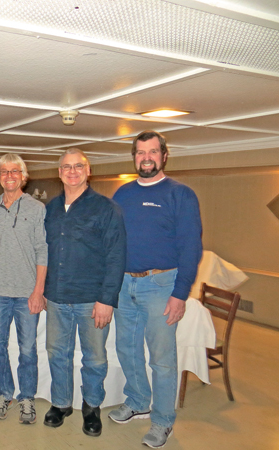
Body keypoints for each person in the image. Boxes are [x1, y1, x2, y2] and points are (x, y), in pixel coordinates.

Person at [109, 130, 202, 448]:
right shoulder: (122, 194)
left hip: (161, 285)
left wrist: (180, 294)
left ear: (164, 155)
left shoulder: (181, 194)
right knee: (127, 348)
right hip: (124, 283)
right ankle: (138, 401)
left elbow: (191, 247)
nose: (146, 157)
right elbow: (113, 239)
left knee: (162, 359)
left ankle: (163, 421)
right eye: (140, 152)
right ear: (134, 157)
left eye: (152, 152)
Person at [43, 149, 126, 437]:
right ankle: (61, 403)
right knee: (57, 354)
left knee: (94, 358)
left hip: (92, 299)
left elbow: (116, 256)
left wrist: (107, 300)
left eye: (78, 166)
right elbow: (44, 252)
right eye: (66, 167)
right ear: (59, 172)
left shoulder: (106, 208)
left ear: (88, 170)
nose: (72, 171)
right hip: (56, 297)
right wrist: (43, 289)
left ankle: (91, 407)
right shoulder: (51, 208)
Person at [0, 154, 47, 425]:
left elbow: (42, 250)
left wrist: (38, 291)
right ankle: (4, 393)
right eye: (4, 172)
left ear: (24, 175)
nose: (9, 176)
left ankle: (27, 397)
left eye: (15, 171)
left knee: (27, 349)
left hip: (27, 292)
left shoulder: (37, 208)